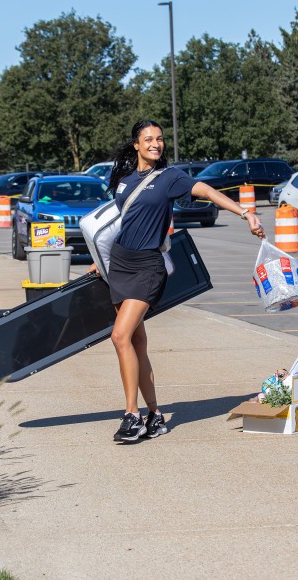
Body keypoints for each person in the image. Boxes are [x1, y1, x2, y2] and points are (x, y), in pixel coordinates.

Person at [95, 119, 266, 443]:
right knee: (135, 343)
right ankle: (156, 415)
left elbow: (207, 191)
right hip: (120, 264)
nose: (155, 144)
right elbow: (122, 222)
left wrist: (245, 213)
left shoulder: (170, 178)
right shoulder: (124, 180)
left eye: (159, 139)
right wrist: (98, 258)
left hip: (148, 267)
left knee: (120, 337)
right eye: (148, 139)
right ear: (136, 144)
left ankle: (132, 415)